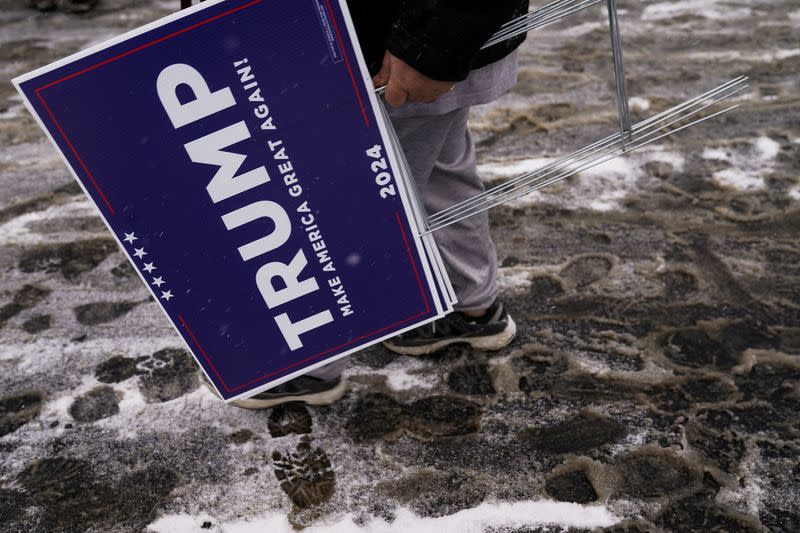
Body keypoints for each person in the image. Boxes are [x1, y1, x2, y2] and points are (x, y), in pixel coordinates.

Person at [229, 0, 529, 410]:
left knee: (348, 197)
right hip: (414, 41)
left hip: (403, 52)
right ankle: (469, 305)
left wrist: (429, 44)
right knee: (436, 168)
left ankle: (309, 363)